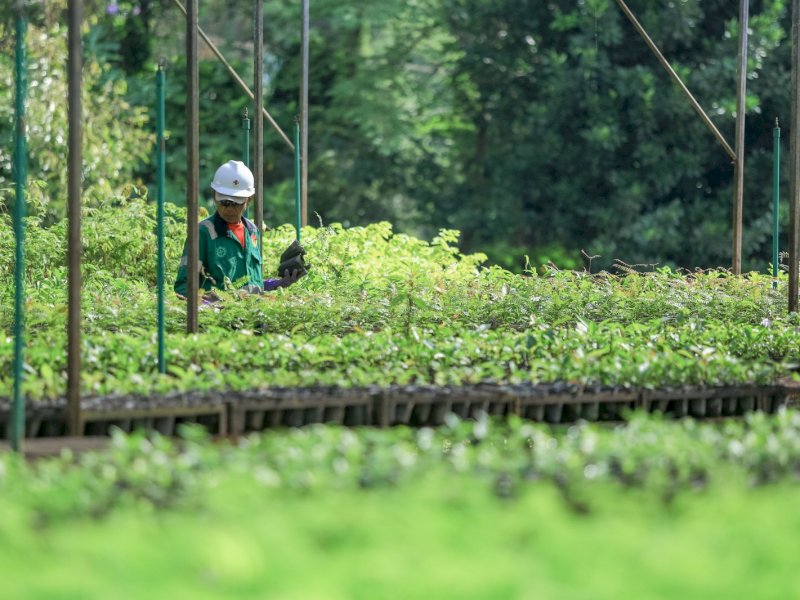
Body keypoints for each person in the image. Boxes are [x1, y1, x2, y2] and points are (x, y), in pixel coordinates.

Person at [174, 160, 303, 298]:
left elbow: (251, 285)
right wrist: (211, 303)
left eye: (236, 203)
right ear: (214, 196)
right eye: (224, 202)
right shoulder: (202, 233)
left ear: (249, 200)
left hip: (252, 315)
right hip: (219, 317)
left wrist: (277, 284)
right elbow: (183, 288)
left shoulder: (252, 232)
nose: (229, 209)